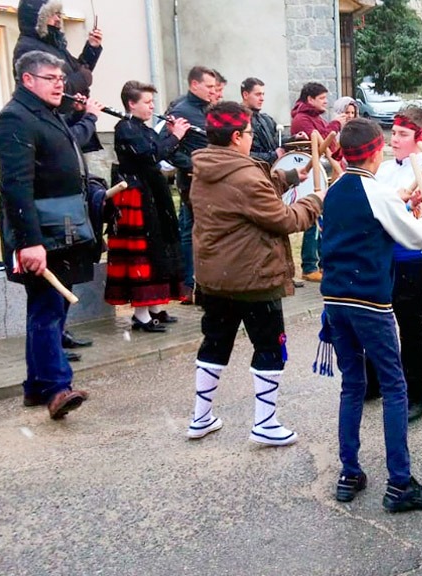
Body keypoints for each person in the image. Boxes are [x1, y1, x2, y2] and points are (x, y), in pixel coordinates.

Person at [315, 118, 422, 511]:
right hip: (369, 302)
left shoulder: (334, 190)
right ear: (375, 152)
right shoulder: (378, 192)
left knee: (352, 385)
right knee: (394, 387)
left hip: (335, 300)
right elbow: (418, 239)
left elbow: (364, 224)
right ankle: (399, 483)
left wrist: (403, 207)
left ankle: (349, 472)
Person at [184, 101, 321, 445]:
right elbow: (285, 219)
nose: (250, 138)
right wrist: (316, 200)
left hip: (216, 277)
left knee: (215, 342)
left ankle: (200, 417)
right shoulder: (245, 177)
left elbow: (249, 187)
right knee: (270, 347)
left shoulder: (204, 168)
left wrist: (290, 176)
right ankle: (265, 423)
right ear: (235, 137)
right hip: (254, 276)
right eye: (247, 132)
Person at [0, 51, 104, 419]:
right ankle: (58, 388)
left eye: (61, 78)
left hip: (63, 228)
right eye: (51, 78)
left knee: (49, 309)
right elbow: (16, 186)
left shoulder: (46, 113)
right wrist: (29, 243)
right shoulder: (14, 119)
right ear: (27, 80)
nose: (60, 84)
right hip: (41, 233)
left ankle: (35, 387)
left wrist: (80, 113)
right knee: (47, 309)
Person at [364, 107, 422, 421]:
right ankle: (374, 382)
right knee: (376, 321)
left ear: (420, 138)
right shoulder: (382, 169)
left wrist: (404, 203)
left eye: (402, 134)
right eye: (393, 133)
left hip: (412, 259)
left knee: (411, 329)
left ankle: (417, 394)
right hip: (382, 257)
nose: (394, 139)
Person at [105, 81, 191, 332]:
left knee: (161, 248)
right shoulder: (125, 128)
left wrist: (171, 135)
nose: (152, 107)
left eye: (152, 102)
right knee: (143, 252)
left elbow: (159, 150)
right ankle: (140, 315)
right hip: (136, 196)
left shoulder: (142, 128)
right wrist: (175, 136)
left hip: (153, 193)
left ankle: (155, 307)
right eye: (147, 102)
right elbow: (151, 154)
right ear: (131, 104)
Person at [166, 65, 217, 301]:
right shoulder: (181, 111)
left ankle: (206, 282)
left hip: (213, 180)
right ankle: (189, 284)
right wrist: (195, 166)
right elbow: (169, 149)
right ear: (194, 85)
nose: (213, 91)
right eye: (209, 86)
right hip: (192, 182)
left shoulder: (208, 109)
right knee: (191, 233)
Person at [291, 82, 343, 282]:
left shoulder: (317, 119)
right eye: (322, 98)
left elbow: (331, 146)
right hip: (311, 176)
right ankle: (310, 264)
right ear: (310, 99)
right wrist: (335, 125)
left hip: (323, 172)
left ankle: (322, 263)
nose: (325, 102)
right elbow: (320, 142)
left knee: (323, 220)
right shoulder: (302, 119)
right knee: (313, 220)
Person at [13, 0, 103, 116]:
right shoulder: (29, 48)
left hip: (70, 116)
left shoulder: (52, 44)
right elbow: (50, 89)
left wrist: (92, 47)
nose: (57, 19)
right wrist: (82, 78)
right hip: (53, 118)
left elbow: (78, 69)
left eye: (58, 14)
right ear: (38, 18)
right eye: (52, 14)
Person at [241, 77, 284, 166]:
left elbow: (276, 140)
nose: (262, 98)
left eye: (263, 94)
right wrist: (273, 156)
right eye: (258, 94)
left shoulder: (266, 119)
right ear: (245, 95)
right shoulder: (237, 121)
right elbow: (241, 153)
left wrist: (295, 138)